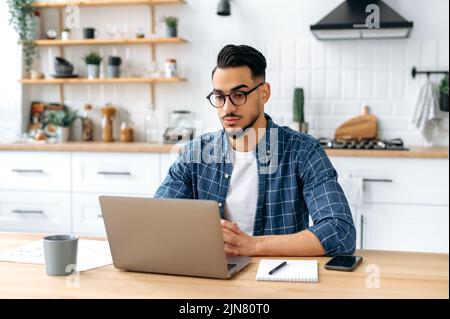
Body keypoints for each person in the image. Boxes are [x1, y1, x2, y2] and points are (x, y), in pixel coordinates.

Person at [155, 44, 356, 257]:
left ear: (264, 93)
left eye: (239, 95)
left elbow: (340, 232)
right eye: (220, 97)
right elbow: (157, 221)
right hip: (213, 275)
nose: (227, 108)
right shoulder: (194, 153)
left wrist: (253, 246)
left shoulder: (303, 151)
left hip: (278, 280)